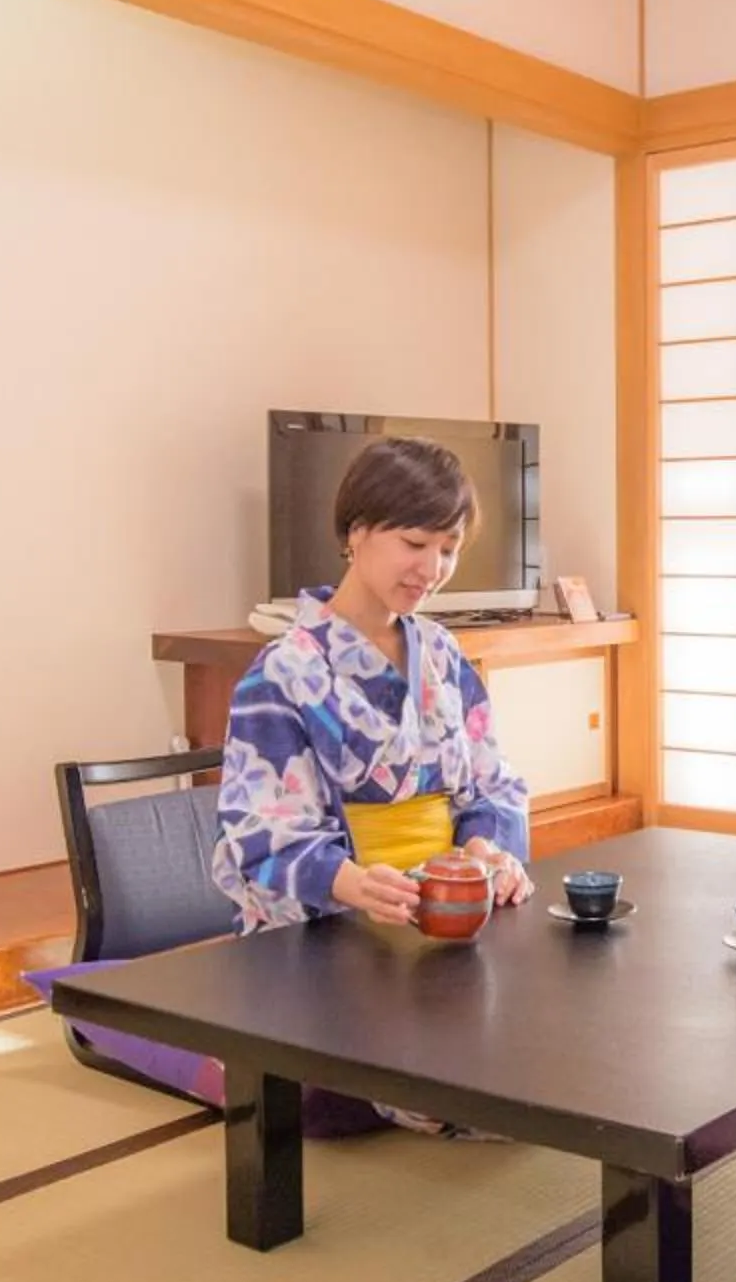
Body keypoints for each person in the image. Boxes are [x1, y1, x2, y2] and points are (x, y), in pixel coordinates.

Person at [212, 435, 535, 1134]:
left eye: (448, 548)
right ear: (356, 533)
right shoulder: (281, 675)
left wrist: (486, 850)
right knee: (475, 1089)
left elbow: (493, 784)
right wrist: (351, 881)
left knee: (562, 1040)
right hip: (334, 927)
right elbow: (264, 834)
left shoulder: (444, 654)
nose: (434, 568)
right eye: (415, 542)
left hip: (446, 918)